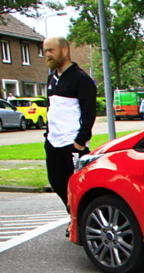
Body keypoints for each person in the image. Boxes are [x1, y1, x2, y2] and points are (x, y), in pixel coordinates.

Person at [43, 36, 96, 210]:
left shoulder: (81, 79)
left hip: (72, 143)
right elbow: (52, 109)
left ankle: (79, 220)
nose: (47, 55)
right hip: (53, 142)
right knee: (57, 182)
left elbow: (89, 113)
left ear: (64, 51)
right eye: (45, 52)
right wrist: (47, 135)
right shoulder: (52, 79)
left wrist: (80, 141)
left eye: (51, 51)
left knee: (78, 186)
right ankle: (72, 215)